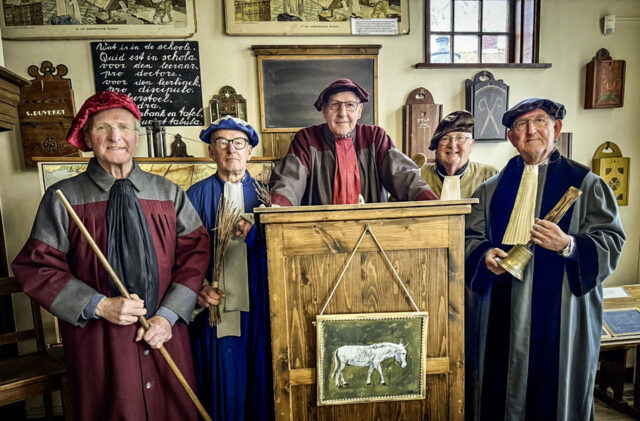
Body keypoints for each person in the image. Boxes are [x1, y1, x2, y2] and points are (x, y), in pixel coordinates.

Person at [11, 91, 210, 421]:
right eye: (103, 128)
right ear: (88, 138)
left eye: (124, 127)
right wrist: (99, 305)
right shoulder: (62, 198)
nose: (115, 136)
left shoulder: (169, 193)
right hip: (99, 342)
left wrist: (168, 315)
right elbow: (36, 266)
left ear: (136, 136)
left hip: (164, 334)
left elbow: (196, 255)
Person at [465, 98, 626, 420]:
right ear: (511, 137)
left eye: (539, 121)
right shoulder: (490, 189)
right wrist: (484, 256)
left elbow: (610, 239)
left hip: (560, 313)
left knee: (553, 394)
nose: (531, 130)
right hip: (501, 309)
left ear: (556, 128)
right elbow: (469, 237)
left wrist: (568, 244)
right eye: (521, 125)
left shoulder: (586, 184)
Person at [187, 116, 273, 421]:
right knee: (223, 386)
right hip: (217, 308)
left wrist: (257, 235)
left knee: (262, 382)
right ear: (211, 151)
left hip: (262, 306)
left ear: (250, 150)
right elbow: (181, 253)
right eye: (221, 143)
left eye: (238, 143)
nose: (230, 149)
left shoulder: (268, 197)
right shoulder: (194, 196)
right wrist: (197, 288)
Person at [269, 78, 438, 205]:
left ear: (359, 111)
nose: (342, 113)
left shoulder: (375, 138)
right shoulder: (306, 139)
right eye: (335, 105)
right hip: (321, 231)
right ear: (324, 111)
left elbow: (404, 175)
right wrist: (278, 207)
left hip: (372, 230)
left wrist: (431, 203)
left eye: (350, 105)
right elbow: (289, 180)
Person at [420, 110, 498, 199]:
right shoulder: (418, 176)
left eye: (460, 138)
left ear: (471, 145)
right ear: (436, 147)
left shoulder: (490, 175)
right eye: (445, 139)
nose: (452, 145)